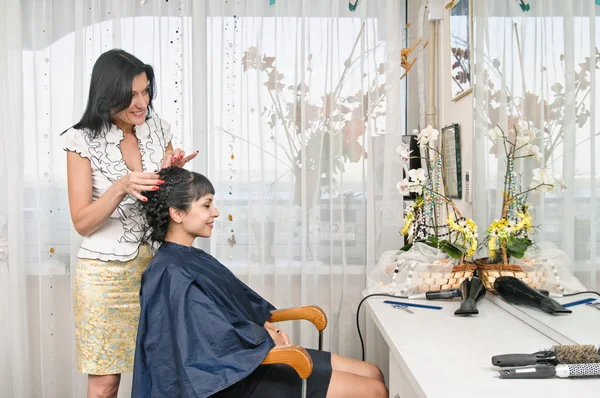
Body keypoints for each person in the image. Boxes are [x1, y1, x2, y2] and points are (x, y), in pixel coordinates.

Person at [132, 166, 388, 398]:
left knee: (373, 372)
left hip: (247, 361)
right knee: (374, 390)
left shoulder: (190, 258)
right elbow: (207, 341)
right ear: (177, 213)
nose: (216, 212)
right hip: (231, 379)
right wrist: (263, 336)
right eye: (207, 205)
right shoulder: (170, 272)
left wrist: (264, 323)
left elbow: (231, 307)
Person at [62, 49, 198, 398]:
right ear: (108, 93)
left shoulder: (157, 128)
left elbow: (164, 205)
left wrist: (172, 174)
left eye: (146, 91)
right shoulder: (80, 140)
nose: (142, 103)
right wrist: (121, 186)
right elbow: (82, 221)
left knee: (165, 370)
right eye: (132, 94)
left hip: (157, 269)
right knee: (106, 384)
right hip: (104, 277)